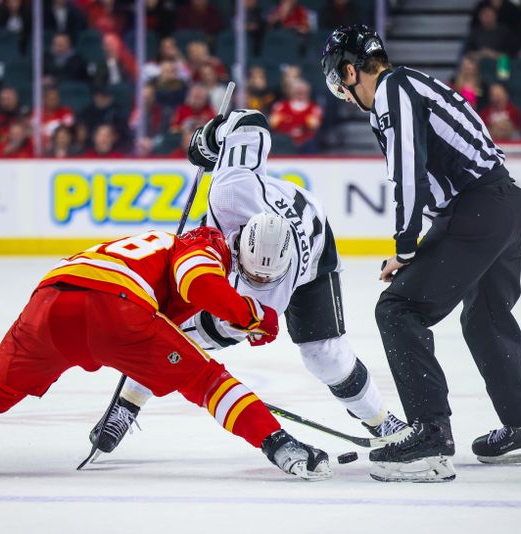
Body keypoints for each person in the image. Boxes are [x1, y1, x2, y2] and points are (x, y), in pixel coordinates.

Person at [0, 227, 332, 481]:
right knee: (207, 381)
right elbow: (197, 282)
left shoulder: (145, 246)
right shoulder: (206, 242)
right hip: (115, 308)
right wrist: (253, 313)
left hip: (50, 303)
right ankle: (280, 446)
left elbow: (178, 300)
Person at [88, 109, 411, 467]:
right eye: (252, 275)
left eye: (264, 279)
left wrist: (178, 337)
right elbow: (249, 121)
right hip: (229, 240)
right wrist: (209, 139)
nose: (257, 281)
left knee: (325, 355)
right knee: (177, 316)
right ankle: (128, 402)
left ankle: (380, 420)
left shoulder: (273, 290)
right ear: (239, 242)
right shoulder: (230, 193)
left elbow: (219, 330)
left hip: (315, 250)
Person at [321, 24, 521, 482]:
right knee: (485, 317)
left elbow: (408, 172)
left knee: (398, 309)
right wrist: (418, 246)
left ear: (351, 71)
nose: (344, 97)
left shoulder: (393, 91)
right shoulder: (414, 84)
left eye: (339, 85)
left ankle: (430, 437)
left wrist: (405, 247)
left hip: (479, 210)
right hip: (504, 206)